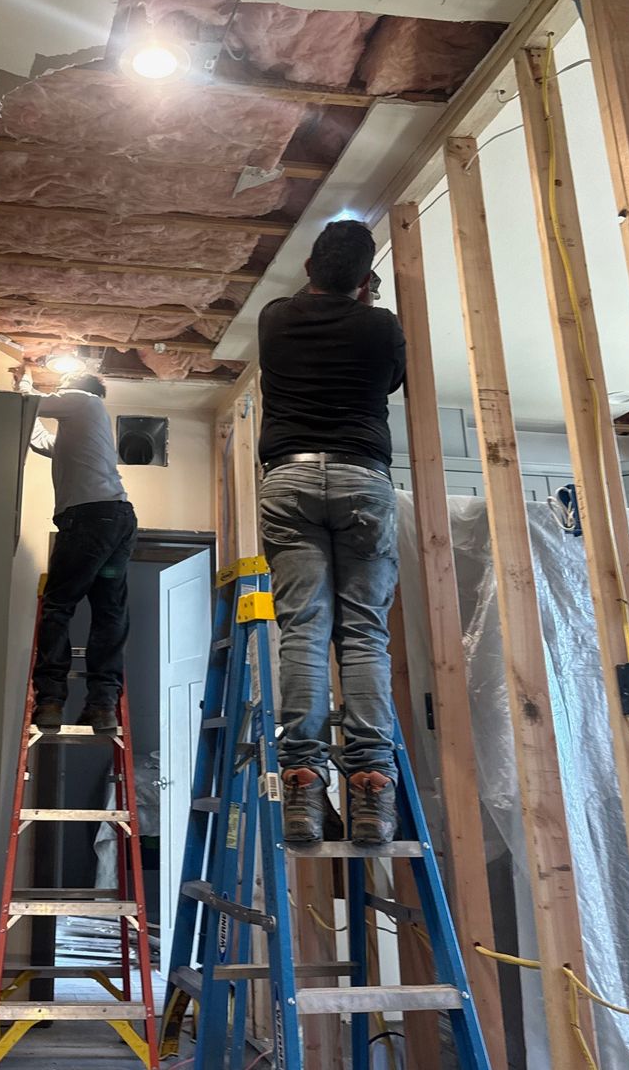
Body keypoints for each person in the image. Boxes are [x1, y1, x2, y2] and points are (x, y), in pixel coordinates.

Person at [257, 218, 406, 847]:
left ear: (311, 265)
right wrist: (365, 301)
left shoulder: (273, 318)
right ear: (365, 279)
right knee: (363, 632)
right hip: (360, 478)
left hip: (288, 480)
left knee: (304, 630)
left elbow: (308, 303)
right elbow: (391, 379)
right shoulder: (380, 324)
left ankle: (302, 780)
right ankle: (371, 784)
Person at [25, 373, 137, 733]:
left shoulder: (84, 400)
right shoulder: (82, 428)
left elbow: (30, 402)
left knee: (59, 606)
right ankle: (102, 705)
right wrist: (27, 399)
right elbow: (41, 439)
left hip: (89, 519)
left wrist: (25, 379)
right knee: (108, 610)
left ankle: (51, 701)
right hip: (116, 521)